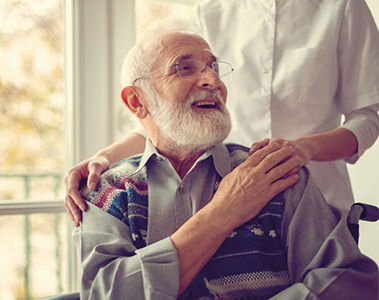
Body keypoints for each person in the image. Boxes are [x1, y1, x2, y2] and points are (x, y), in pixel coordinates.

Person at [72, 27, 378, 300]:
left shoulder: (275, 174)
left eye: (214, 67)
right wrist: (223, 213)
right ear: (137, 101)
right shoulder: (105, 193)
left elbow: (349, 283)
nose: (213, 80)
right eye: (185, 68)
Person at [65, 0, 379, 226]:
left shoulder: (343, 7)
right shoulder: (209, 11)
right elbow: (173, 115)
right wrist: (104, 158)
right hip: (230, 210)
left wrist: (302, 149)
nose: (212, 79)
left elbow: (367, 116)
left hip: (321, 205)